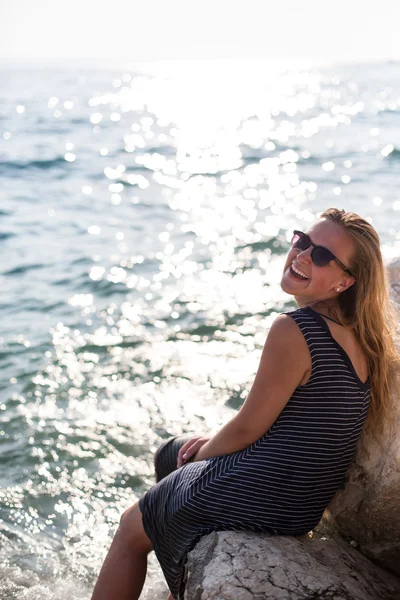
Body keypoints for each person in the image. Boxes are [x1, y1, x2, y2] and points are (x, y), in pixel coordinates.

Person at [90, 208, 399, 600]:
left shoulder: (295, 329)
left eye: (321, 256)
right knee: (170, 455)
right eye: (303, 241)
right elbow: (292, 422)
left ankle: (164, 537)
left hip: (273, 493)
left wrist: (205, 453)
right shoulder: (361, 334)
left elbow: (248, 427)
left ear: (345, 281)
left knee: (132, 527)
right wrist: (202, 450)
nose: (302, 256)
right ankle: (181, 568)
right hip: (303, 498)